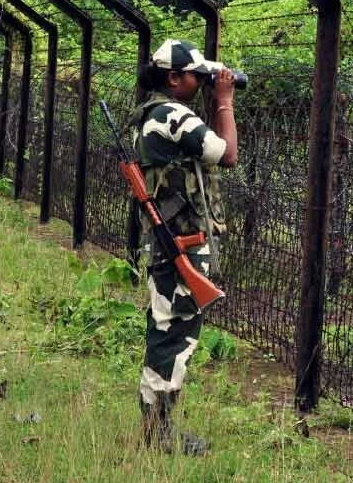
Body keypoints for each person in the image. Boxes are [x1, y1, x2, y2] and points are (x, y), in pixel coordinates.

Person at [128, 39, 238, 455]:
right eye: (197, 75)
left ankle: (158, 429)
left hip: (173, 242)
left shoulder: (153, 114)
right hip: (182, 246)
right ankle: (159, 435)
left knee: (167, 332)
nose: (204, 82)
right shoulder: (173, 115)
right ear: (174, 79)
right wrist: (224, 101)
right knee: (174, 337)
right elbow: (226, 154)